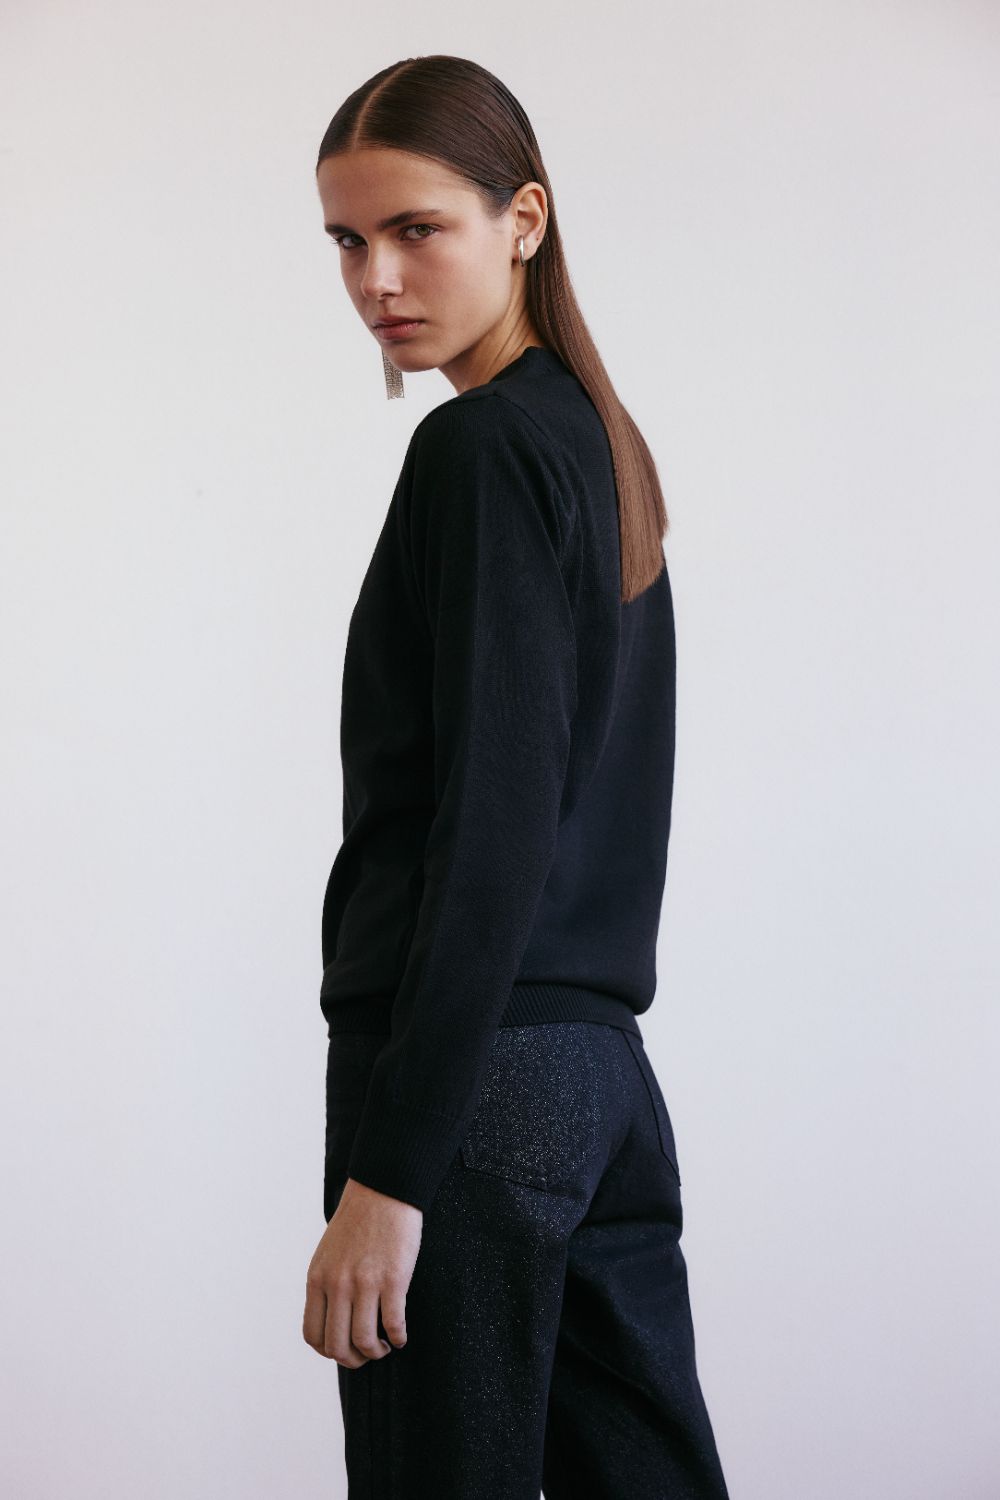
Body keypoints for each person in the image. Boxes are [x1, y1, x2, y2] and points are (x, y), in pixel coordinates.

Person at [301, 54, 731, 1500]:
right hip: (597, 1082)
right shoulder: (595, 442)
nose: (376, 279)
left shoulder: (479, 450)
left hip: (469, 1086)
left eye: (416, 228)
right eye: (348, 241)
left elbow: (493, 827)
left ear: (524, 219)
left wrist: (392, 1169)